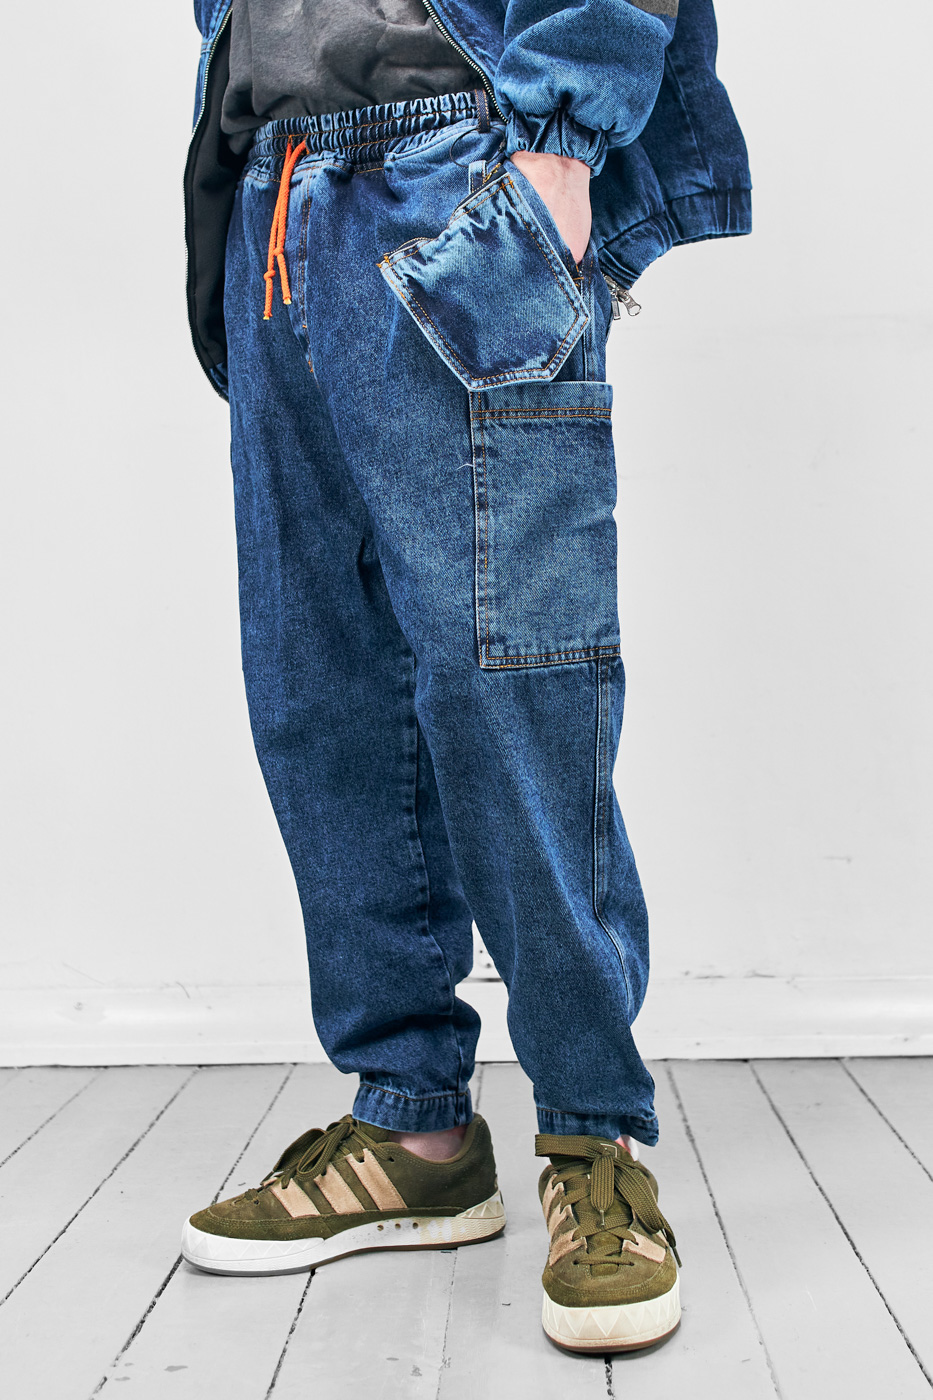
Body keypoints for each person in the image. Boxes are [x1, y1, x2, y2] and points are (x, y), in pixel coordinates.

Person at [180, 0, 749, 1354]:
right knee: (318, 696)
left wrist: (558, 146)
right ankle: (413, 1128)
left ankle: (593, 1140)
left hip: (456, 164)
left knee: (515, 686)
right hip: (275, 193)